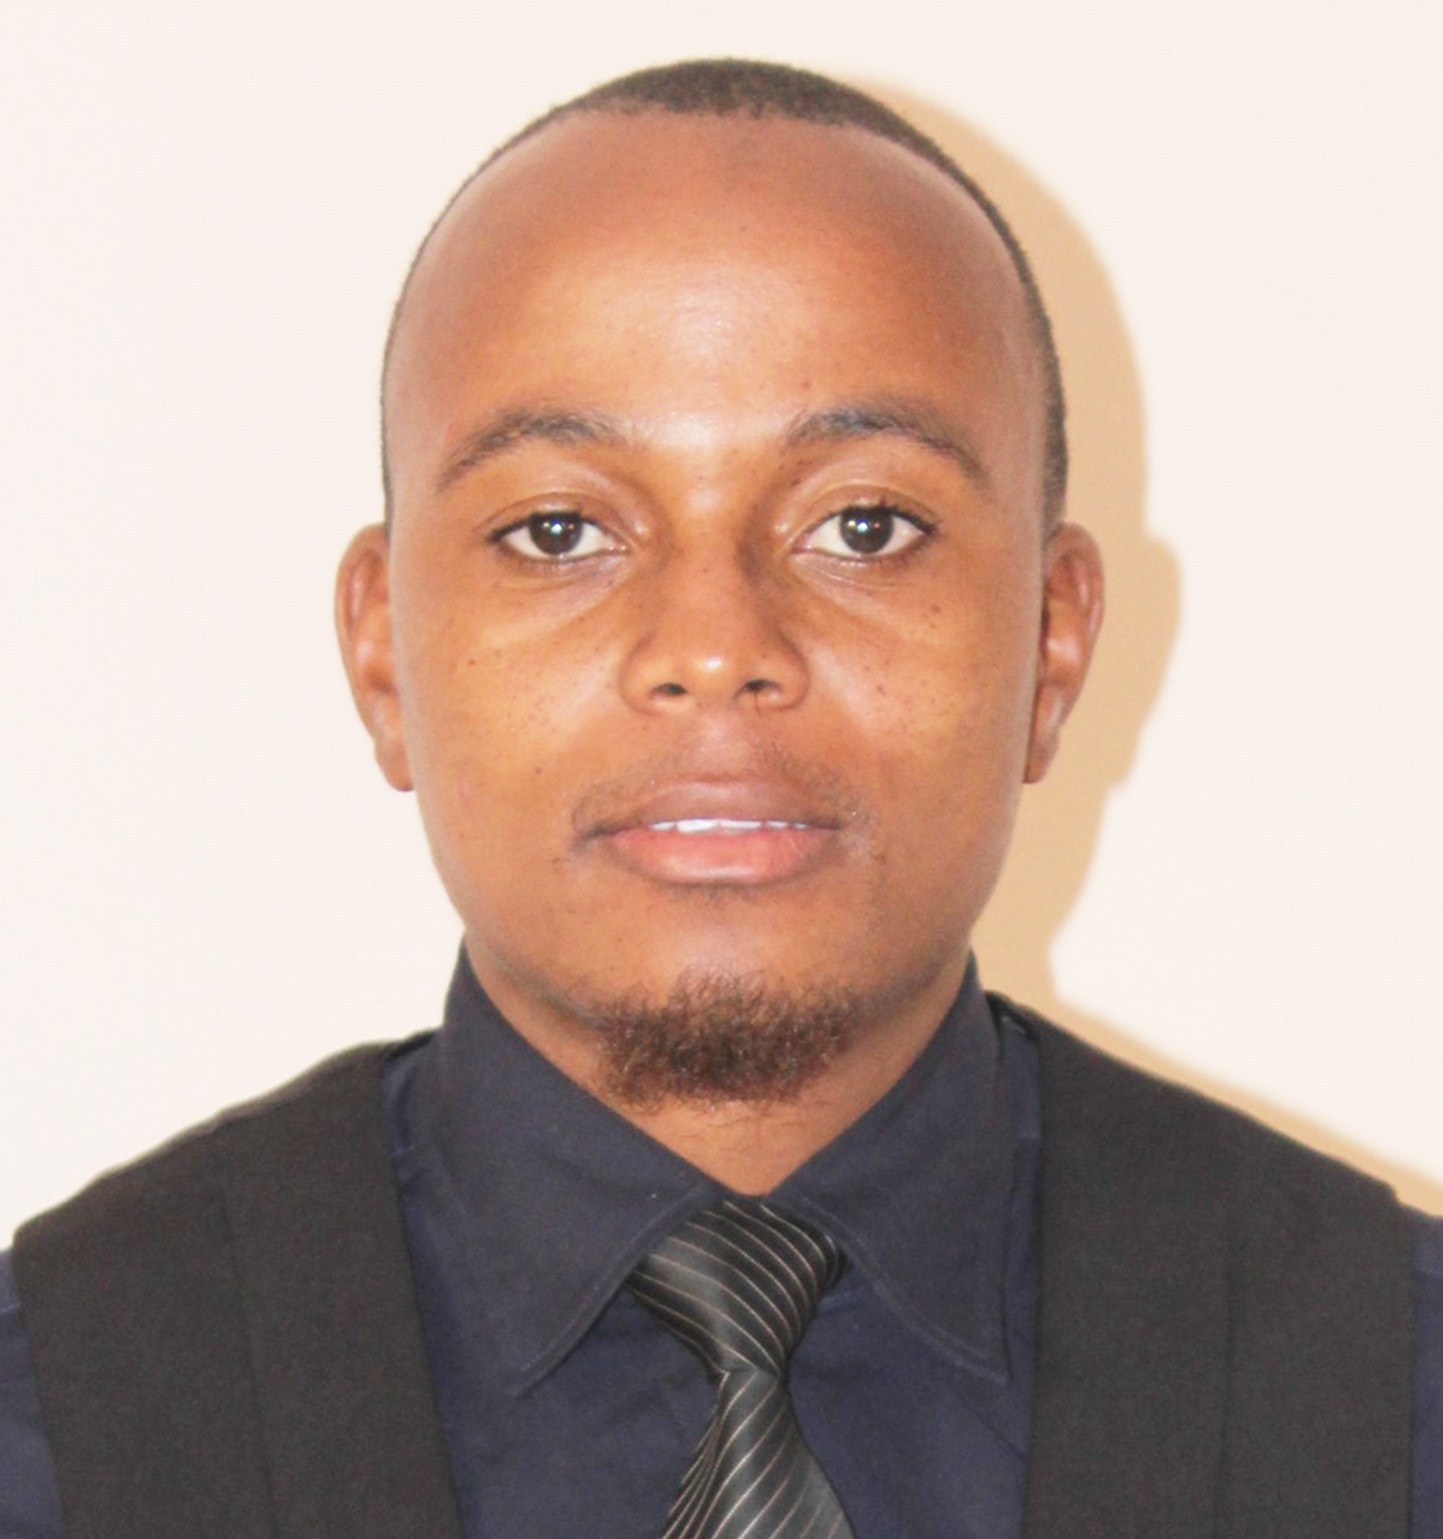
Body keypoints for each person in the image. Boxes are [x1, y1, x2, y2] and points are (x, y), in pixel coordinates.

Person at [1, 58, 1439, 1539]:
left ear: (1052, 645)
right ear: (382, 655)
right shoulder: (56, 1429)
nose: (713, 646)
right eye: (557, 530)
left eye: (863, 526)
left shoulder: (1399, 1407)